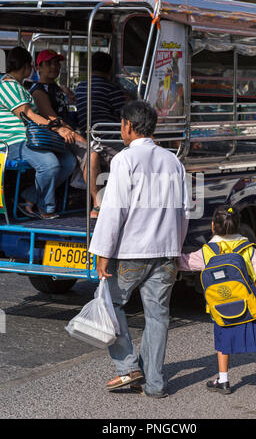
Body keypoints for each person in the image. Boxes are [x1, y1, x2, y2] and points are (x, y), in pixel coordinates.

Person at [88, 100, 189, 398]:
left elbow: (113, 209)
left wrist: (102, 253)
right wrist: (177, 249)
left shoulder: (124, 160)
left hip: (133, 251)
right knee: (157, 315)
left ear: (129, 127)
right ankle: (155, 384)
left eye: (122, 124)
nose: (122, 129)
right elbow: (184, 211)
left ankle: (128, 368)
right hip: (167, 252)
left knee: (108, 302)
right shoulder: (174, 161)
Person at [177, 205, 256, 400]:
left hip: (223, 308)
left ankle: (223, 380)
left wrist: (170, 256)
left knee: (223, 344)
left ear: (213, 226)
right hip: (252, 306)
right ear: (238, 225)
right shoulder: (247, 248)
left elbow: (185, 262)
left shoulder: (208, 251)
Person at [0, 46, 76, 219]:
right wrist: (59, 128)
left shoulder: (19, 86)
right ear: (27, 66)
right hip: (13, 143)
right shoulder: (8, 86)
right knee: (49, 164)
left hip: (29, 140)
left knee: (68, 161)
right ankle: (46, 208)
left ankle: (29, 198)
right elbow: (28, 115)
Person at [30, 49, 102, 218]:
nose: (54, 66)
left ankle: (30, 197)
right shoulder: (39, 91)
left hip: (66, 133)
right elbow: (53, 119)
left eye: (57, 63)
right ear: (38, 67)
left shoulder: (55, 87)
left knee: (72, 161)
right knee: (92, 154)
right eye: (48, 63)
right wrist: (77, 136)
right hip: (56, 136)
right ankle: (97, 204)